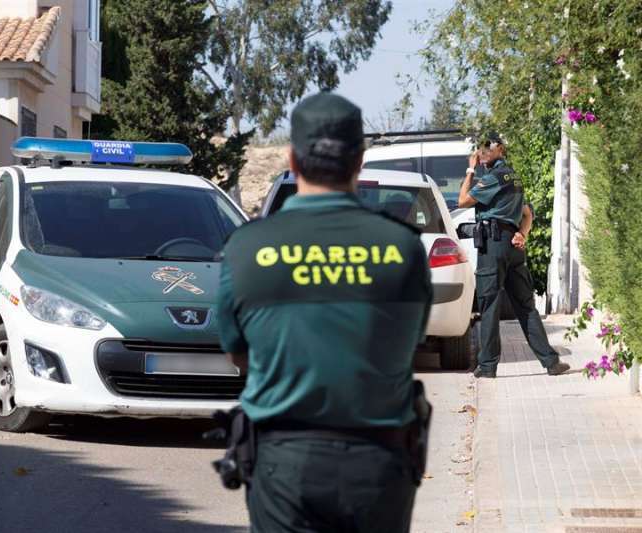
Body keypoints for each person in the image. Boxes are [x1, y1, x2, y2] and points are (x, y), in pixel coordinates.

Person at [217, 92, 433, 532]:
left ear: (292, 161)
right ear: (360, 161)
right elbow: (406, 343)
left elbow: (236, 351)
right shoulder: (403, 248)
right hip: (379, 464)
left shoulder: (248, 247)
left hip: (284, 465)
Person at [458, 136, 570, 378]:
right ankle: (551, 362)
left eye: (489, 149)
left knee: (489, 305)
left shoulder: (492, 178)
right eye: (481, 149)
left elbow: (462, 200)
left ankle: (487, 367)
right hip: (513, 247)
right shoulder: (514, 177)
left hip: (494, 245)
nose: (484, 152)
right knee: (525, 306)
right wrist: (522, 233)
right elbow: (527, 213)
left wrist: (470, 169)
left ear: (501, 150)